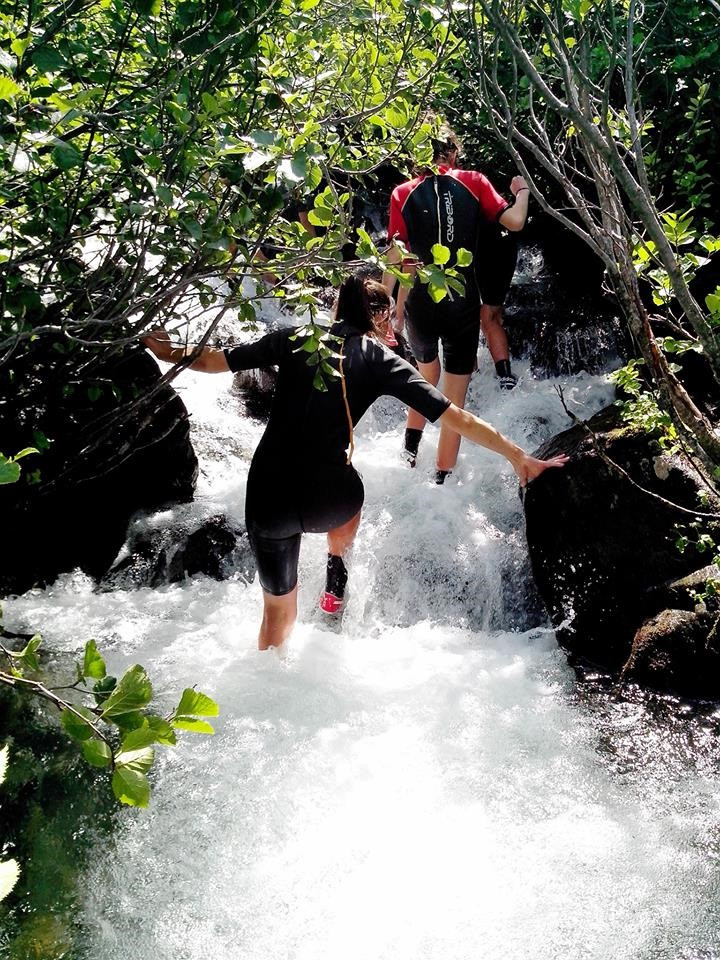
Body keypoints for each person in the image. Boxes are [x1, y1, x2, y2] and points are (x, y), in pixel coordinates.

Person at [142, 275, 566, 651]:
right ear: (380, 316)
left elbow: (212, 359)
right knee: (353, 487)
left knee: (277, 616)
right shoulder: (382, 361)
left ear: (336, 309)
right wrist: (518, 456)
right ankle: (336, 570)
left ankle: (268, 674)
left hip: (267, 496)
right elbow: (457, 417)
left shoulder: (294, 338)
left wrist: (164, 349)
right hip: (330, 498)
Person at [382, 125, 529, 483]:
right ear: (453, 153)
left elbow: (396, 257)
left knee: (423, 375)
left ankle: (410, 453)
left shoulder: (402, 192)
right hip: (461, 299)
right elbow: (515, 221)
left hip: (420, 301)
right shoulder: (474, 181)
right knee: (454, 401)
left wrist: (388, 307)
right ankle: (441, 480)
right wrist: (522, 191)